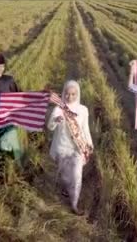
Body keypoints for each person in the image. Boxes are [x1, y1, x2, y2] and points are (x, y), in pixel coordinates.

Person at [47, 80, 93, 215]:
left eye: (73, 94)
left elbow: (85, 128)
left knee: (77, 174)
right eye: (67, 94)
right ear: (63, 93)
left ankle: (74, 204)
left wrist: (89, 143)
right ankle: (66, 188)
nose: (70, 97)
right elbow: (50, 127)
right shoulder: (58, 109)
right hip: (62, 147)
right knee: (66, 176)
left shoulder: (83, 110)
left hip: (77, 148)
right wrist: (56, 120)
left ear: (77, 94)